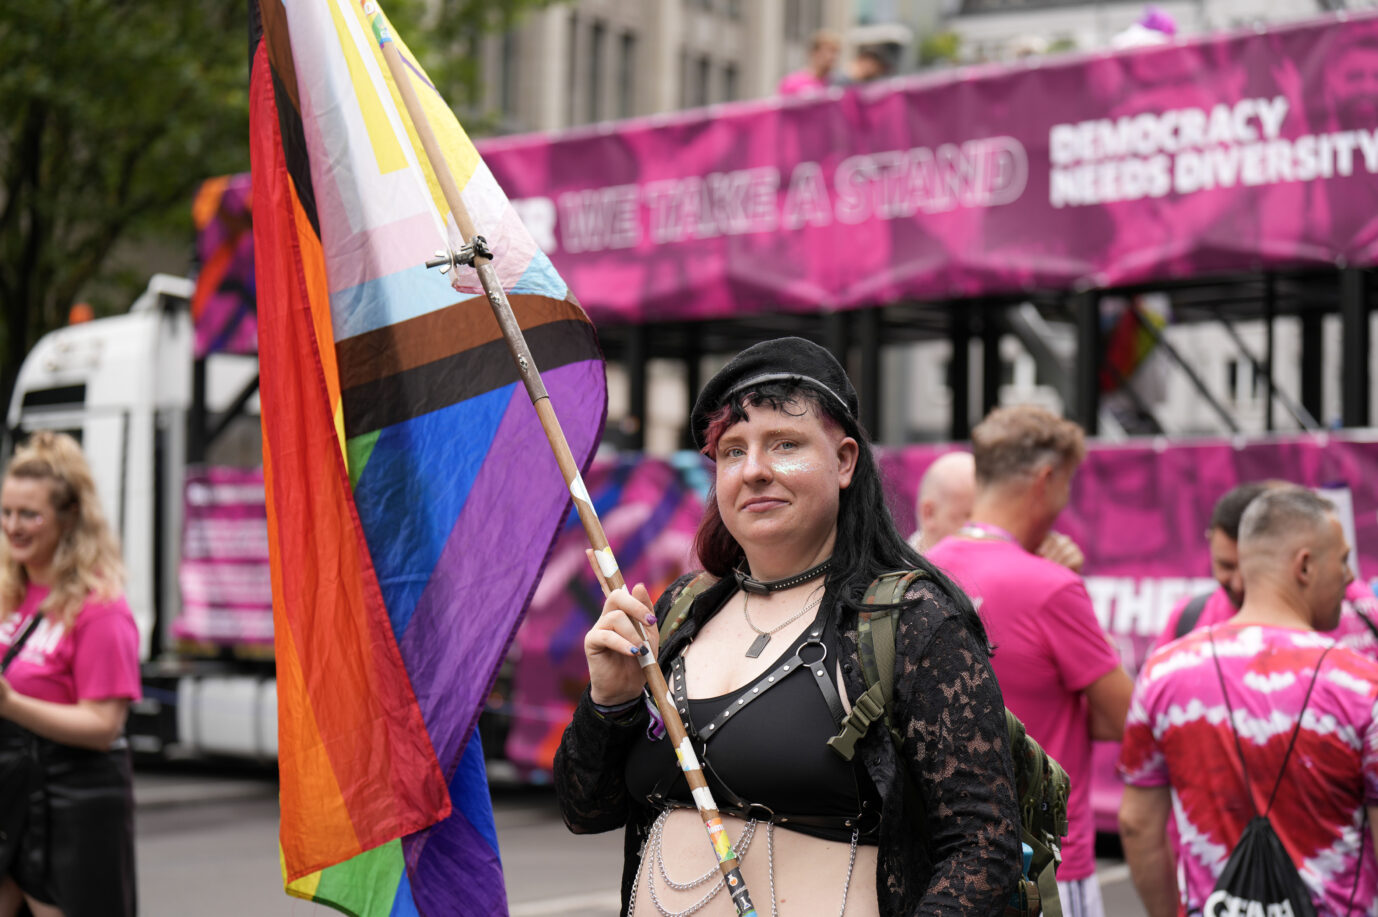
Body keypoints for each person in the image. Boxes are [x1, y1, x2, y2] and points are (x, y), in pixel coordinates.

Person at [554, 337, 1021, 916]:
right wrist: (612, 702)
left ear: (845, 461)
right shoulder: (681, 611)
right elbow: (586, 811)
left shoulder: (913, 623)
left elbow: (982, 849)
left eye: (785, 444)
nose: (754, 471)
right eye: (731, 451)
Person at [1119, 488, 1378, 917]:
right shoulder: (1362, 686)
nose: (1350, 577)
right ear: (1306, 565)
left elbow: (1136, 824)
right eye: (1343, 559)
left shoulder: (1163, 673)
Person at [927, 405, 1131, 917]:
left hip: (948, 858)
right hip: (1048, 863)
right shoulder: (1052, 585)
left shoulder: (922, 569)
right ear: (1045, 480)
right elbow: (1125, 719)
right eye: (1067, 485)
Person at [0, 432, 139, 917]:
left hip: (73, 802)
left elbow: (104, 727)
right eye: (6, 512)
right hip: (9, 791)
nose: (14, 527)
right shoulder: (7, 591)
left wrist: (11, 705)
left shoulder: (101, 610)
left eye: (30, 515)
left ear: (68, 519)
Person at [1154, 479, 1378, 665]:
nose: (1239, 583)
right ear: (1210, 542)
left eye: (1249, 566)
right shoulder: (1189, 619)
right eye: (1226, 566)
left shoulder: (1357, 608)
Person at [911, 450, 1084, 571]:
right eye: (969, 516)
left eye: (987, 516)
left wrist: (1055, 574)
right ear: (929, 514)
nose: (982, 528)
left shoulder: (1009, 565)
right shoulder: (898, 585)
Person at [777, 29, 840, 96]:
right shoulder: (792, 83)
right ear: (814, 52)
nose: (833, 57)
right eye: (829, 51)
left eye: (835, 52)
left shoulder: (836, 86)